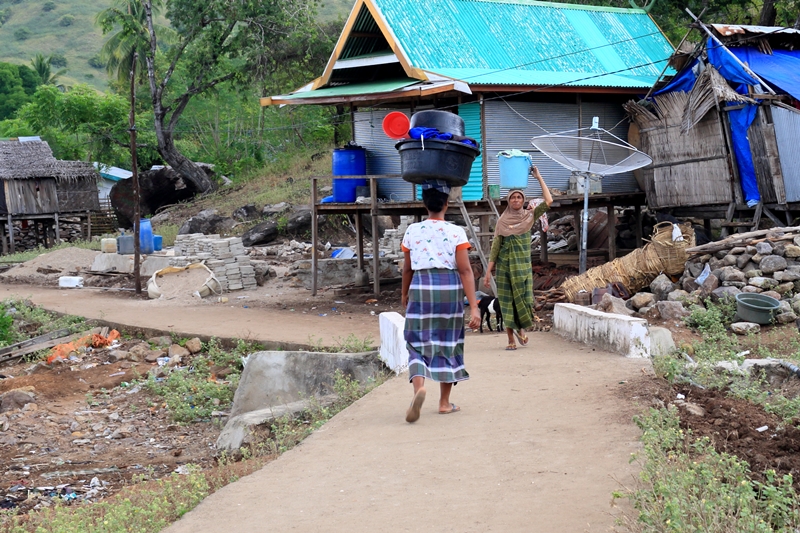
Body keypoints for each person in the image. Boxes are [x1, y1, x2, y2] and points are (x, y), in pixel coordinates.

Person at [401, 180, 481, 423]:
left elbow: (407, 269)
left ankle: (419, 390)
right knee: (449, 341)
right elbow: (466, 271)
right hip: (449, 287)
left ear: (425, 205)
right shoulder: (456, 232)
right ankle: (444, 403)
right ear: (446, 204)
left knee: (416, 342)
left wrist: (404, 295)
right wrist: (474, 306)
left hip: (421, 286)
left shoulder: (412, 231)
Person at [483, 166, 553, 351]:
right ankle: (510, 339)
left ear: (523, 200)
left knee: (523, 300)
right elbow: (496, 247)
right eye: (513, 197)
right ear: (508, 200)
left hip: (522, 267)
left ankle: (521, 329)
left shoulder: (530, 216)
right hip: (505, 267)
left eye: (519, 197)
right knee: (506, 302)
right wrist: (488, 272)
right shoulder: (502, 222)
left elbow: (549, 200)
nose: (516, 200)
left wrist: (538, 177)